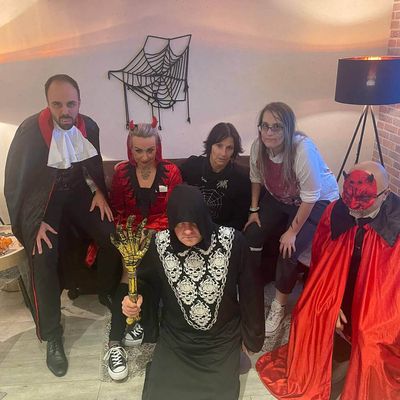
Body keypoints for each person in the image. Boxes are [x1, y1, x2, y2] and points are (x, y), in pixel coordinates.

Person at [4, 74, 121, 377]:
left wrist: (98, 191)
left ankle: (106, 289)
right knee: (42, 255)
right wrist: (33, 221)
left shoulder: (89, 126)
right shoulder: (29, 131)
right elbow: (17, 183)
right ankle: (52, 335)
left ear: (79, 103)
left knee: (112, 236)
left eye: (70, 104)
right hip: (46, 201)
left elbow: (90, 166)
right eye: (57, 104)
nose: (64, 111)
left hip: (80, 195)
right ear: (47, 103)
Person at [256, 161, 400, 400]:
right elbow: (323, 265)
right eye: (349, 201)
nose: (353, 212)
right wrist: (333, 303)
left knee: (371, 340)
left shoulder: (396, 226)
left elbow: (392, 290)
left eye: (362, 206)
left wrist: (365, 314)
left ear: (385, 194)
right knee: (307, 315)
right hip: (340, 290)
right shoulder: (336, 212)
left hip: (381, 304)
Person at [122, 184, 264, 399]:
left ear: (203, 218)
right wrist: (136, 300)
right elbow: (146, 284)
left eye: (193, 223)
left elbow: (251, 291)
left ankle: (234, 360)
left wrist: (252, 337)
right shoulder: (160, 244)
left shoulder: (233, 241)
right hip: (177, 338)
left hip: (221, 339)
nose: (187, 231)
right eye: (180, 224)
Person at [244, 102, 339, 335]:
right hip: (281, 197)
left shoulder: (302, 150)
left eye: (277, 126)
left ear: (288, 128)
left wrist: (292, 232)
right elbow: (256, 178)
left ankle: (279, 305)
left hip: (316, 201)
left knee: (288, 248)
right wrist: (254, 209)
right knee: (252, 232)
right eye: (265, 126)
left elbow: (310, 197)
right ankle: (251, 283)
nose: (269, 132)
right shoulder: (258, 146)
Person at [104, 118, 182, 381]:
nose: (145, 157)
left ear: (158, 147)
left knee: (144, 265)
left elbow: (174, 212)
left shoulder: (171, 172)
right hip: (131, 236)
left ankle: (140, 324)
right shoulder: (121, 173)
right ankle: (115, 343)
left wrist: (150, 233)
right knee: (130, 268)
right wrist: (132, 238)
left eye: (150, 150)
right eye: (138, 150)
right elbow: (118, 212)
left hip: (162, 235)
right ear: (130, 148)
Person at [180, 122, 251, 230]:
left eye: (229, 148)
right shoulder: (193, 165)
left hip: (223, 232)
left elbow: (240, 220)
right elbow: (171, 180)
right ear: (210, 145)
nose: (223, 153)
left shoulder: (241, 178)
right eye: (219, 146)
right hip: (191, 230)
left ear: (234, 151)